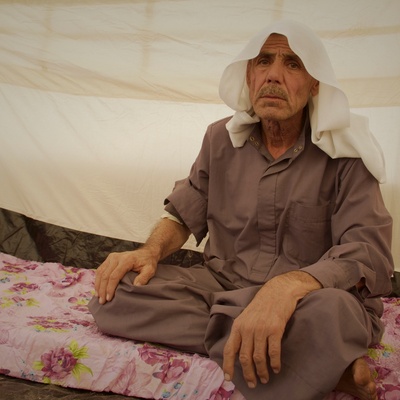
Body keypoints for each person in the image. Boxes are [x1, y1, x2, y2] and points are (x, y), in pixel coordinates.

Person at [89, 20, 394, 400]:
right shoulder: (220, 138)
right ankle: (317, 361)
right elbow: (184, 212)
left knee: (333, 313)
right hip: (223, 285)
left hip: (307, 300)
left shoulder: (347, 154)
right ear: (248, 75)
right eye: (263, 61)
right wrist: (148, 251)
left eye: (293, 64)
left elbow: (367, 252)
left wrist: (287, 287)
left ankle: (286, 338)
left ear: (315, 84)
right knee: (116, 293)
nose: (274, 75)